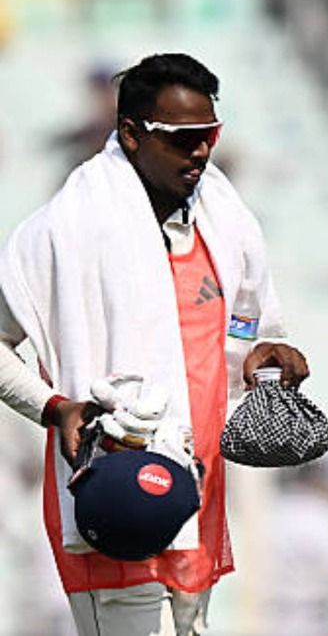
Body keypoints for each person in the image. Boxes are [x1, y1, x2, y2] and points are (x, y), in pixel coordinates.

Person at [0, 53, 309, 636]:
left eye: (210, 135)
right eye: (183, 138)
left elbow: (248, 329)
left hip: (196, 493)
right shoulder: (64, 229)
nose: (201, 151)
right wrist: (53, 407)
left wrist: (264, 350)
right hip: (115, 492)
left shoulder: (226, 220)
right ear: (131, 134)